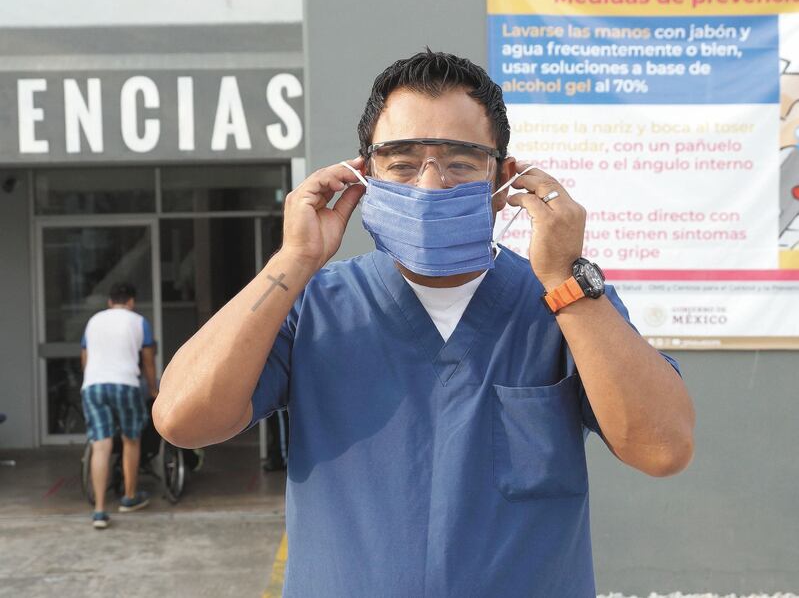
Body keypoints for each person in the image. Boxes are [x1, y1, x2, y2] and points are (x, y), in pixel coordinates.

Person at [154, 50, 695, 596]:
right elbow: (183, 419)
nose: (431, 185)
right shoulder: (312, 304)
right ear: (363, 174)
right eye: (403, 161)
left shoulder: (564, 303)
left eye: (461, 161)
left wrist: (565, 278)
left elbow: (663, 448)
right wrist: (291, 262)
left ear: (506, 179)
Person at [81, 282, 158, 529]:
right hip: (125, 383)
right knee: (130, 439)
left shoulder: (93, 321)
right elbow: (147, 360)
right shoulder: (138, 321)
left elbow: (85, 358)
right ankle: (129, 496)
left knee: (100, 445)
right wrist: (153, 389)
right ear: (132, 301)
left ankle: (100, 510)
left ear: (109, 302)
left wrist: (92, 379)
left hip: (93, 385)